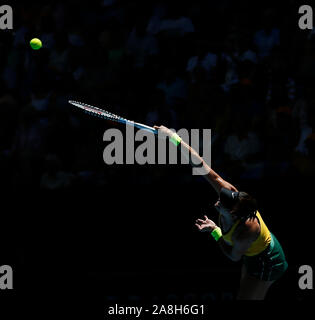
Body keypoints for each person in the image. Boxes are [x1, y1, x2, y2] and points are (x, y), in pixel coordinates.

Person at [154, 125, 288, 300]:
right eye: (225, 195)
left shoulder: (245, 232)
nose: (220, 198)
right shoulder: (231, 194)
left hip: (268, 261)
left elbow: (234, 257)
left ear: (233, 214)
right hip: (251, 251)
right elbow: (201, 165)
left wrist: (215, 231)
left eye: (224, 202)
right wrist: (175, 139)